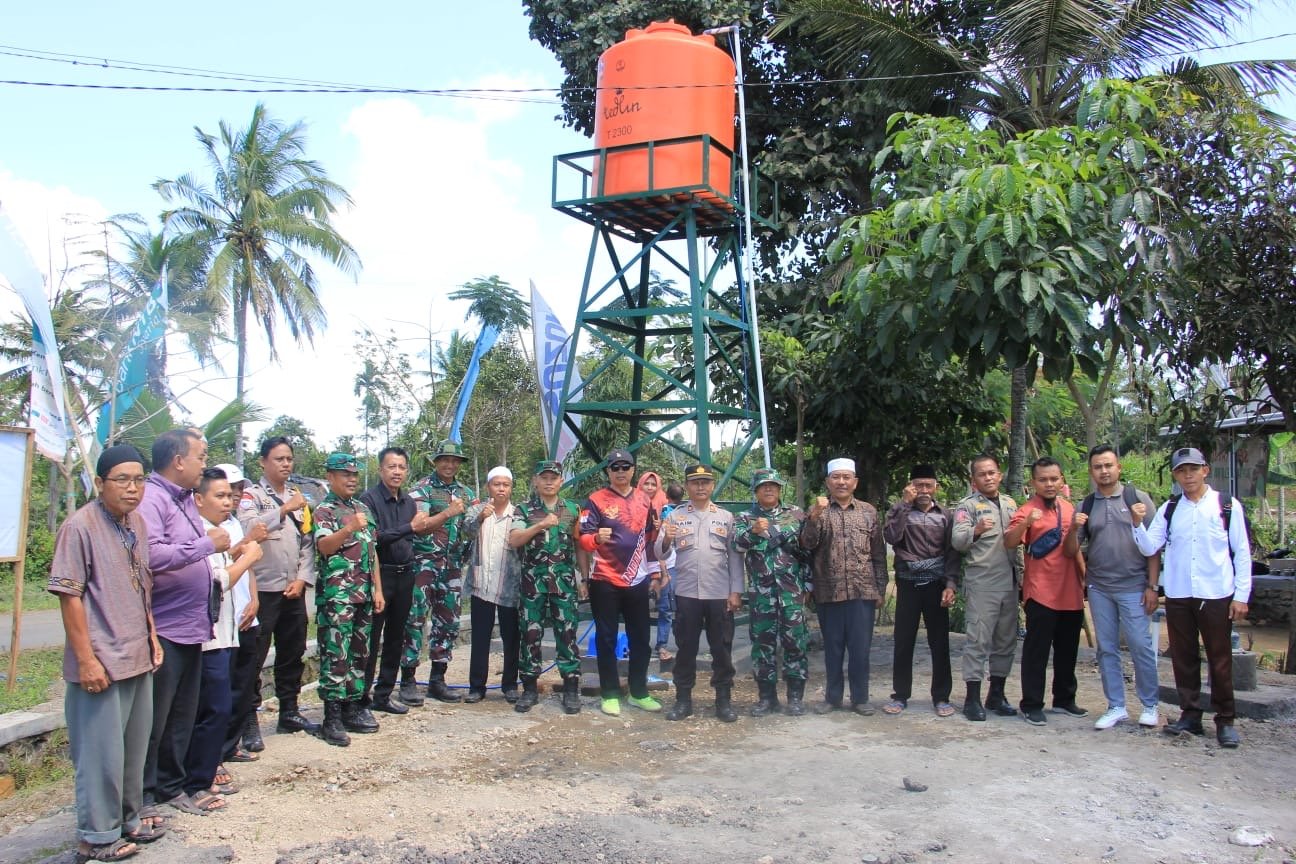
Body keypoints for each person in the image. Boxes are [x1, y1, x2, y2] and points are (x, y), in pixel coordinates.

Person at [49, 444, 166, 863]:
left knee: (132, 751)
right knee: (100, 756)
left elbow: (143, 585)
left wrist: (152, 636)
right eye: (122, 480)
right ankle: (96, 838)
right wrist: (85, 660)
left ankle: (128, 820)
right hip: (101, 662)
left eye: (139, 480)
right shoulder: (79, 527)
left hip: (137, 655)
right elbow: (69, 596)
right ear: (100, 483)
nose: (133, 489)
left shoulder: (135, 522)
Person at [1132, 446, 1251, 748]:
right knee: (1183, 657)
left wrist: (1241, 595)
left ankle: (1225, 719)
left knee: (1219, 658)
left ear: (1205, 470)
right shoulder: (1170, 509)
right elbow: (1150, 547)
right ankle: (1190, 714)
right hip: (1180, 593)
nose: (1188, 476)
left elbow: (1242, 553)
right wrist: (1136, 524)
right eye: (1182, 471)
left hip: (1216, 593)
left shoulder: (1226, 506)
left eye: (1193, 469)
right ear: (1175, 475)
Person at [138, 429, 228, 815]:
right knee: (155, 719)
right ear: (178, 460)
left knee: (181, 716)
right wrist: (208, 545)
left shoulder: (183, 500)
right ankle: (142, 796)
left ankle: (171, 788)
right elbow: (152, 555)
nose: (204, 464)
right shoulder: (151, 500)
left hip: (192, 626)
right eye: (200, 456)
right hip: (165, 627)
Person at [1062, 445, 1161, 730]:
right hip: (1099, 587)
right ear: (1091, 471)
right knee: (1106, 649)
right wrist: (1072, 529)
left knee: (1140, 646)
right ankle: (1115, 705)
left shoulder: (1138, 499)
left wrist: (1152, 586)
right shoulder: (1086, 505)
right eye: (1097, 467)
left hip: (1134, 586)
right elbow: (1071, 551)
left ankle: (1149, 704)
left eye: (1108, 465)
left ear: (1118, 468)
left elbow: (1154, 548)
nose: (1103, 471)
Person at [184, 467, 262, 810]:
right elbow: (216, 582)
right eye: (219, 496)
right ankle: (199, 778)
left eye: (230, 496)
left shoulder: (221, 530)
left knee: (222, 702)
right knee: (212, 708)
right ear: (198, 499)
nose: (227, 502)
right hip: (208, 636)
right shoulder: (198, 533)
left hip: (228, 632)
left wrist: (240, 553)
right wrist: (247, 559)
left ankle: (206, 770)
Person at [239, 436, 320, 742]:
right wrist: (284, 509)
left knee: (292, 650)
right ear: (263, 461)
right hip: (262, 590)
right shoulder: (252, 496)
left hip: (293, 589)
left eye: (289, 459)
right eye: (278, 459)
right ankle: (248, 719)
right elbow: (249, 530)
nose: (286, 464)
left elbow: (307, 543)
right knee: (255, 656)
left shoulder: (299, 497)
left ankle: (289, 710)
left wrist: (302, 578)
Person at [577, 448, 663, 717]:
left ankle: (639, 692)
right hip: (605, 580)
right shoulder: (595, 500)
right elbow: (583, 537)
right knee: (606, 638)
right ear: (608, 472)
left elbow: (649, 540)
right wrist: (596, 540)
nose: (621, 472)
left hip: (637, 581)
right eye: (616, 468)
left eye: (626, 467)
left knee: (641, 639)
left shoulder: (644, 500)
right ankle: (610, 693)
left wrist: (656, 574)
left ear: (633, 470)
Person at [800, 457, 887, 716]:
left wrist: (880, 588)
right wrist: (813, 517)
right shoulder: (818, 511)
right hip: (829, 591)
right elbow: (806, 544)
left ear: (855, 482)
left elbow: (878, 553)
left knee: (860, 649)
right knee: (833, 649)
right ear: (827, 482)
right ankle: (833, 697)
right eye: (835, 477)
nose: (841, 482)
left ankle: (861, 698)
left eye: (846, 477)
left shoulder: (869, 512)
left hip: (863, 591)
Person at [656, 464, 743, 722]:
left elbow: (735, 558)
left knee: (722, 649)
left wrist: (736, 591)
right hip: (686, 594)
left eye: (705, 482)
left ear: (712, 485)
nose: (700, 487)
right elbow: (659, 554)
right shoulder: (675, 516)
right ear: (687, 486)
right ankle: (683, 700)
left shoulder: (726, 517)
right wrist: (667, 539)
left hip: (719, 593)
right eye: (695, 482)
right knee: (685, 648)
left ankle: (723, 701)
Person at [1004, 456, 1087, 726]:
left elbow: (1073, 550)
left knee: (1067, 649)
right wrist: (1027, 522)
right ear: (1033, 482)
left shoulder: (1069, 508)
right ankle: (1031, 704)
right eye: (1043, 479)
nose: (1049, 484)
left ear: (1061, 480)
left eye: (1054, 478)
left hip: (1070, 590)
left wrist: (1085, 578)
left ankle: (1064, 699)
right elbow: (1009, 542)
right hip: (1040, 591)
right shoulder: (1027, 509)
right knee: (1036, 651)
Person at [312, 452, 386, 746]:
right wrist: (348, 528)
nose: (351, 479)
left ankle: (352, 707)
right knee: (336, 654)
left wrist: (378, 589)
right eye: (345, 474)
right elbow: (325, 547)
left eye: (354, 475)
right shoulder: (324, 511)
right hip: (337, 596)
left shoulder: (362, 508)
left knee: (360, 653)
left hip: (363, 594)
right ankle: (331, 716)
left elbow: (372, 552)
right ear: (331, 477)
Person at [510, 460, 587, 714]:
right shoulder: (524, 510)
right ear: (536, 480)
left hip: (564, 585)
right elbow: (514, 540)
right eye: (544, 477)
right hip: (533, 585)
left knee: (567, 635)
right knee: (530, 635)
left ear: (561, 481)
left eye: (554, 477)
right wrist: (540, 525)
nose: (549, 481)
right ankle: (530, 688)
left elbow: (579, 545)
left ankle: (571, 689)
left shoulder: (572, 509)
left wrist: (584, 578)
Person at [883, 465, 960, 717]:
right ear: (909, 486)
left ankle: (941, 697)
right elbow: (892, 538)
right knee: (903, 641)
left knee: (940, 643)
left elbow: (951, 552)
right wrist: (904, 505)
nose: (923, 491)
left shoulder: (945, 515)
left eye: (928, 485)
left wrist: (950, 584)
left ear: (936, 487)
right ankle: (900, 695)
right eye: (918, 485)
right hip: (907, 583)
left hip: (937, 584)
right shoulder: (899, 510)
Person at [733, 468, 811, 717]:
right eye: (763, 486)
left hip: (792, 593)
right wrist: (753, 532)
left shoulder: (796, 514)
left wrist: (808, 586)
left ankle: (795, 697)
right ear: (755, 490)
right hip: (761, 595)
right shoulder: (745, 517)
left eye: (773, 486)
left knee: (795, 643)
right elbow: (737, 545)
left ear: (779, 489)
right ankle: (767, 698)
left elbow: (808, 550)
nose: (769, 489)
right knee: (762, 645)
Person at [404, 439, 476, 704]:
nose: (450, 464)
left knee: (448, 623)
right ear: (436, 462)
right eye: (445, 459)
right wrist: (448, 512)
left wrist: (478, 518)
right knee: (414, 620)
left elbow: (471, 529)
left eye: (455, 460)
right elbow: (418, 526)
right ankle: (408, 679)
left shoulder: (466, 493)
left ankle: (437, 680)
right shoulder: (421, 490)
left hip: (453, 568)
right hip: (423, 565)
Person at [358, 447, 430, 714]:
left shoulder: (409, 502)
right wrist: (409, 528)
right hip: (381, 575)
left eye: (401, 467)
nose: (397, 472)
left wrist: (409, 533)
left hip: (405, 574)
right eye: (391, 466)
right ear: (380, 469)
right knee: (371, 638)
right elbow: (375, 538)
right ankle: (361, 699)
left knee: (395, 638)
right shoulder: (369, 500)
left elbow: (409, 538)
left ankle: (384, 694)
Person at [950, 454, 1021, 721]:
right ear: (974, 480)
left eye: (992, 472)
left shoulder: (1011, 504)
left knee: (1005, 642)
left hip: (1010, 583)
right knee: (978, 642)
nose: (988, 477)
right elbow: (957, 541)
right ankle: (972, 699)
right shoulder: (967, 506)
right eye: (982, 474)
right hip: (983, 584)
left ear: (999, 475)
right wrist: (976, 530)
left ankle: (996, 694)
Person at [213, 464, 265, 768]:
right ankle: (216, 752)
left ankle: (231, 745)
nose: (232, 496)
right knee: (221, 688)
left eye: (236, 489)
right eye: (226, 490)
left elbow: (249, 567)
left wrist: (255, 600)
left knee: (245, 682)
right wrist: (246, 545)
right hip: (223, 618)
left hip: (246, 613)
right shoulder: (208, 526)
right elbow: (221, 561)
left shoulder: (234, 523)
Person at [460, 466, 523, 704]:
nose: (501, 489)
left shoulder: (518, 513)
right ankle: (477, 687)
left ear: (511, 488)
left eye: (505, 484)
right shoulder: (477, 510)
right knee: (480, 637)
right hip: (481, 584)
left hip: (509, 586)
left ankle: (509, 685)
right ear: (489, 487)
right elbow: (466, 532)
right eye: (496, 484)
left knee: (511, 637)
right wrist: (480, 517)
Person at [657, 481, 684, 661]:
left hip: (673, 565)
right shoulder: (680, 513)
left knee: (666, 609)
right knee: (676, 608)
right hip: (672, 565)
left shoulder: (664, 512)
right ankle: (667, 645)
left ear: (666, 495)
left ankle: (664, 645)